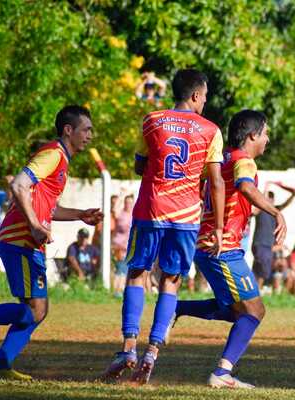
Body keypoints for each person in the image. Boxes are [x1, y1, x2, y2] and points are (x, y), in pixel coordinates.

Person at [101, 69, 225, 385]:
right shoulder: (210, 130)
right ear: (196, 95)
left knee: (138, 274)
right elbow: (216, 182)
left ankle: (128, 348)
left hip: (151, 208)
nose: (205, 102)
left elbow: (139, 165)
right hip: (185, 216)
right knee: (171, 280)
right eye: (206, 96)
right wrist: (220, 227)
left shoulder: (152, 120)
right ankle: (152, 352)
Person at [0, 105, 102, 380]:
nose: (90, 136)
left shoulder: (62, 162)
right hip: (20, 240)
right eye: (86, 130)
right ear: (68, 130)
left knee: (37, 310)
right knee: (35, 309)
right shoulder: (52, 154)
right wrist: (35, 226)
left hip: (28, 242)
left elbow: (49, 207)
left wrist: (80, 215)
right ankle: (1, 363)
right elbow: (19, 185)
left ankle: (2, 364)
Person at [173, 110, 286, 389]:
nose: (267, 139)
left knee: (236, 310)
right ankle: (222, 373)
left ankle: (175, 308)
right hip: (223, 248)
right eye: (265, 133)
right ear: (252, 136)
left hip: (208, 245)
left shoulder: (220, 160)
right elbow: (246, 187)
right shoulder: (243, 161)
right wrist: (276, 212)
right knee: (254, 311)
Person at [251, 181, 295, 289]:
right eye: (267, 198)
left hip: (268, 246)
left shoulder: (275, 211)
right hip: (260, 243)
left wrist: (291, 192)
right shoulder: (260, 209)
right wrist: (266, 189)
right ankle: (258, 292)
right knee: (262, 270)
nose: (269, 200)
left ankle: (254, 293)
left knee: (258, 270)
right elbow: (255, 210)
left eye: (271, 198)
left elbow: (288, 201)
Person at [112, 194, 134, 295]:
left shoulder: (133, 215)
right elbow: (115, 210)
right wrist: (121, 195)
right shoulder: (121, 215)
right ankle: (117, 290)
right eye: (127, 202)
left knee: (125, 269)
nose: (128, 204)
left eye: (130, 202)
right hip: (120, 246)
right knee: (121, 268)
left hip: (129, 246)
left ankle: (120, 289)